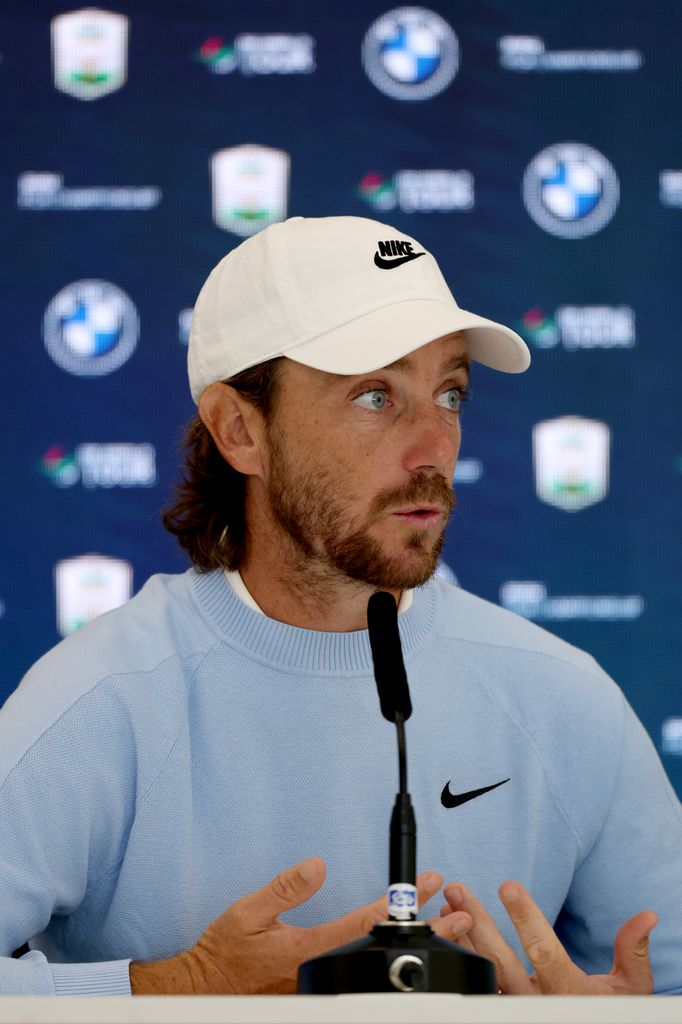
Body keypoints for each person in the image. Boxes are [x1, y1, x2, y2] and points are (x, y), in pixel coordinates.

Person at [1, 216, 680, 998]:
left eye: (450, 393)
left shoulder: (561, 695)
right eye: (374, 395)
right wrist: (173, 988)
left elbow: (660, 983)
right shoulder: (102, 699)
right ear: (241, 431)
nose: (434, 447)